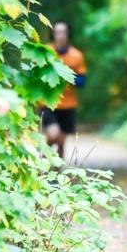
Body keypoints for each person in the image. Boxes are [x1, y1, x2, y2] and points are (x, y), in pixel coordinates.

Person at [42, 21, 87, 160]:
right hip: (48, 101)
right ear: (53, 34)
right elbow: (36, 74)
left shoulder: (76, 55)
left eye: (63, 32)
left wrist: (66, 77)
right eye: (57, 32)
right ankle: (43, 161)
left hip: (68, 104)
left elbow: (82, 81)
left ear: (68, 34)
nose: (60, 35)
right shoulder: (45, 52)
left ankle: (57, 171)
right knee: (53, 135)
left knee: (61, 142)